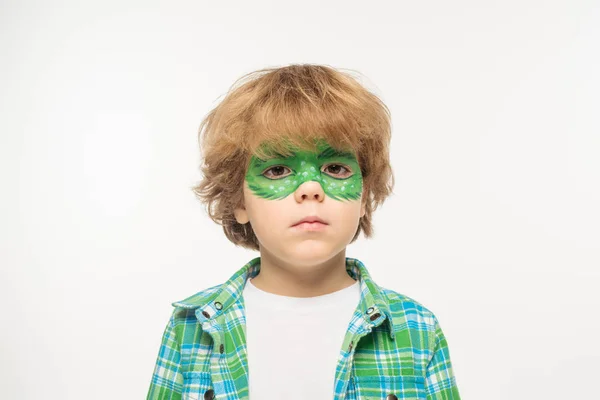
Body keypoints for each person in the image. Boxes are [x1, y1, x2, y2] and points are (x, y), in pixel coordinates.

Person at [146, 64, 461, 400]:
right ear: (239, 200)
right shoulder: (191, 327)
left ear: (364, 196)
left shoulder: (416, 330)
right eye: (278, 169)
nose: (310, 188)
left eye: (335, 168)